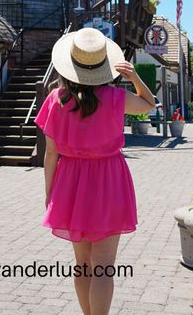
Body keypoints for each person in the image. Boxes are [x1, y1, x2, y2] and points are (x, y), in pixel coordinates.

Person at [34, 27, 155, 315]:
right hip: (109, 180)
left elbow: (50, 154)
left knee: (82, 264)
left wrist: (50, 194)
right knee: (103, 266)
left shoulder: (55, 99)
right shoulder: (116, 97)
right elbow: (149, 105)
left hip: (70, 182)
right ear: (103, 65)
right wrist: (134, 76)